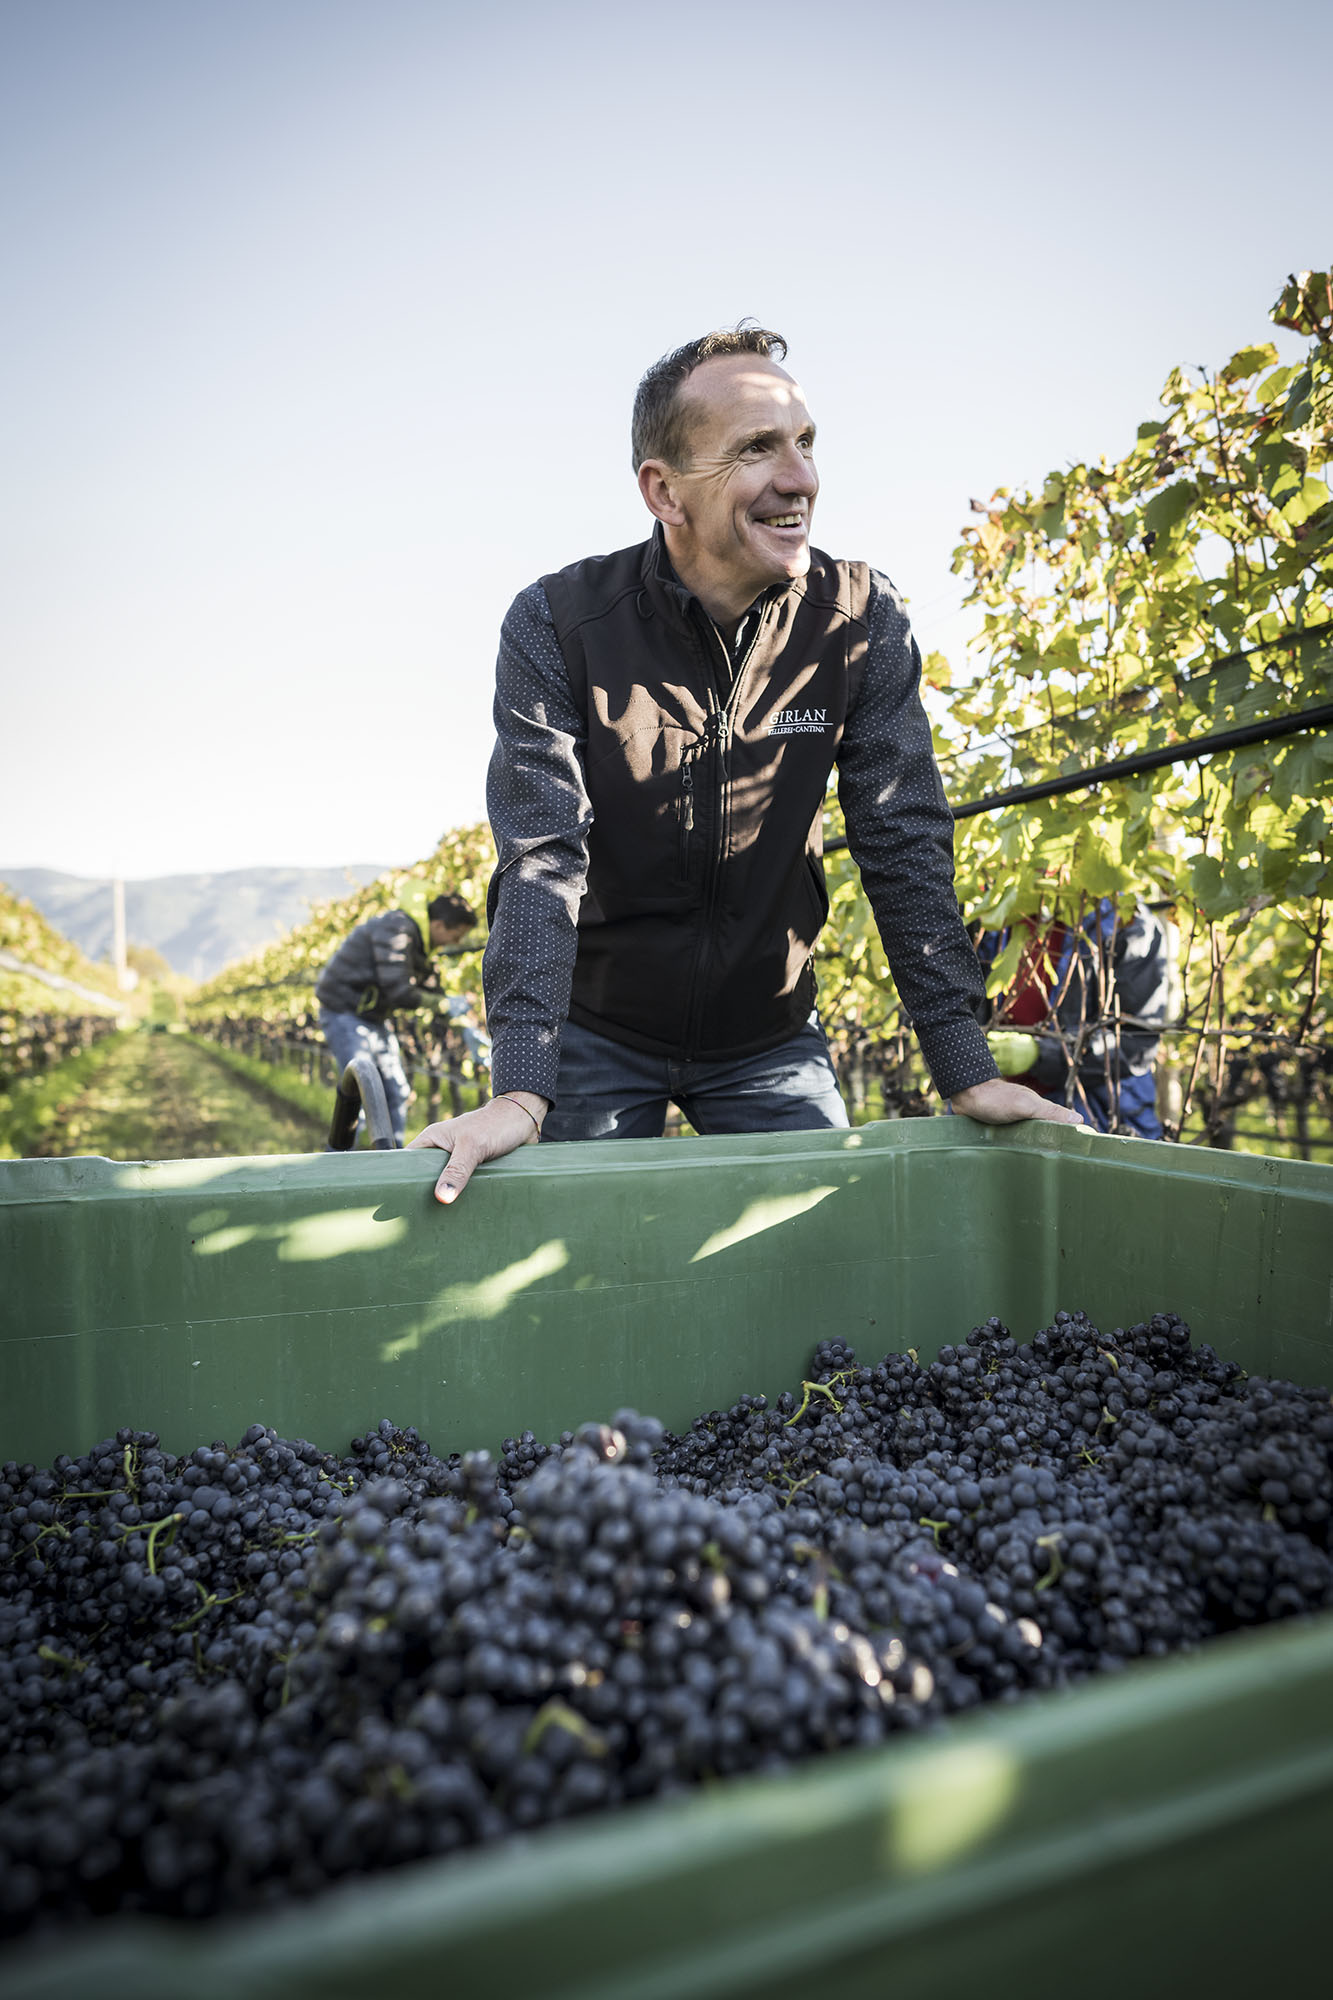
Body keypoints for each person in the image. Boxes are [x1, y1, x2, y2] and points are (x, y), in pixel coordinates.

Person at [411, 325, 1081, 1202]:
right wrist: (523, 1084)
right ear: (665, 491)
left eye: (804, 444)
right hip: (596, 1033)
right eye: (757, 449)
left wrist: (963, 1065)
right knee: (573, 1270)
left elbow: (901, 835)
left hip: (767, 1041)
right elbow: (542, 854)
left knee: (825, 1269)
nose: (799, 477)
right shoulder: (558, 625)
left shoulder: (859, 620)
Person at [982, 899, 1174, 1138]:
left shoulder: (1128, 922)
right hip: (996, 1113)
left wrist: (1042, 1054)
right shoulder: (992, 914)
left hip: (1098, 1118)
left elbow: (1136, 1043)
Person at [316, 890, 474, 1145]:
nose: (453, 944)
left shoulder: (423, 944)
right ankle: (336, 1169)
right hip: (344, 1012)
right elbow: (399, 991)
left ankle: (393, 1163)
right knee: (358, 1098)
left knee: (397, 1091)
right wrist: (444, 1004)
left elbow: (433, 991)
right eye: (455, 936)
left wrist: (462, 1021)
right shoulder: (397, 929)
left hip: (374, 1018)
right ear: (438, 924)